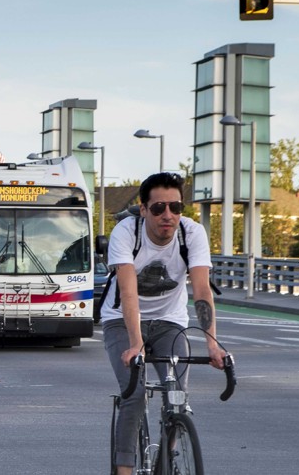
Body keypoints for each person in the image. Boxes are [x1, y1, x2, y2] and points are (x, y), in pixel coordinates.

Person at [100, 172, 226, 475]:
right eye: (158, 208)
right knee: (135, 393)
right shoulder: (126, 232)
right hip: (121, 320)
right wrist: (136, 344)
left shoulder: (192, 233)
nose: (167, 215)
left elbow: (202, 291)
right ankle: (125, 470)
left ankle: (164, 464)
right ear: (144, 210)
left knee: (177, 396)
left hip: (170, 321)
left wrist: (212, 344)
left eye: (175, 207)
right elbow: (128, 292)